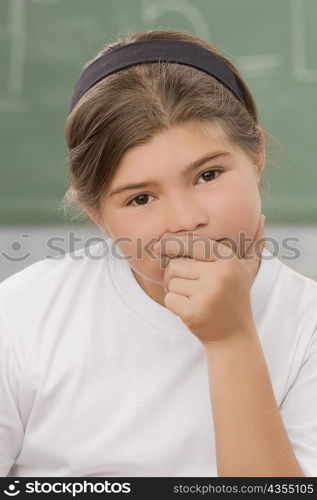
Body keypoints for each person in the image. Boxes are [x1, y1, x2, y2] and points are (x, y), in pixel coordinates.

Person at [1, 29, 317, 478]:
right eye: (140, 199)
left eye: (208, 175)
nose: (185, 219)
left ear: (256, 154)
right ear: (97, 215)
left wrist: (230, 339)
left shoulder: (307, 328)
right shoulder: (21, 315)